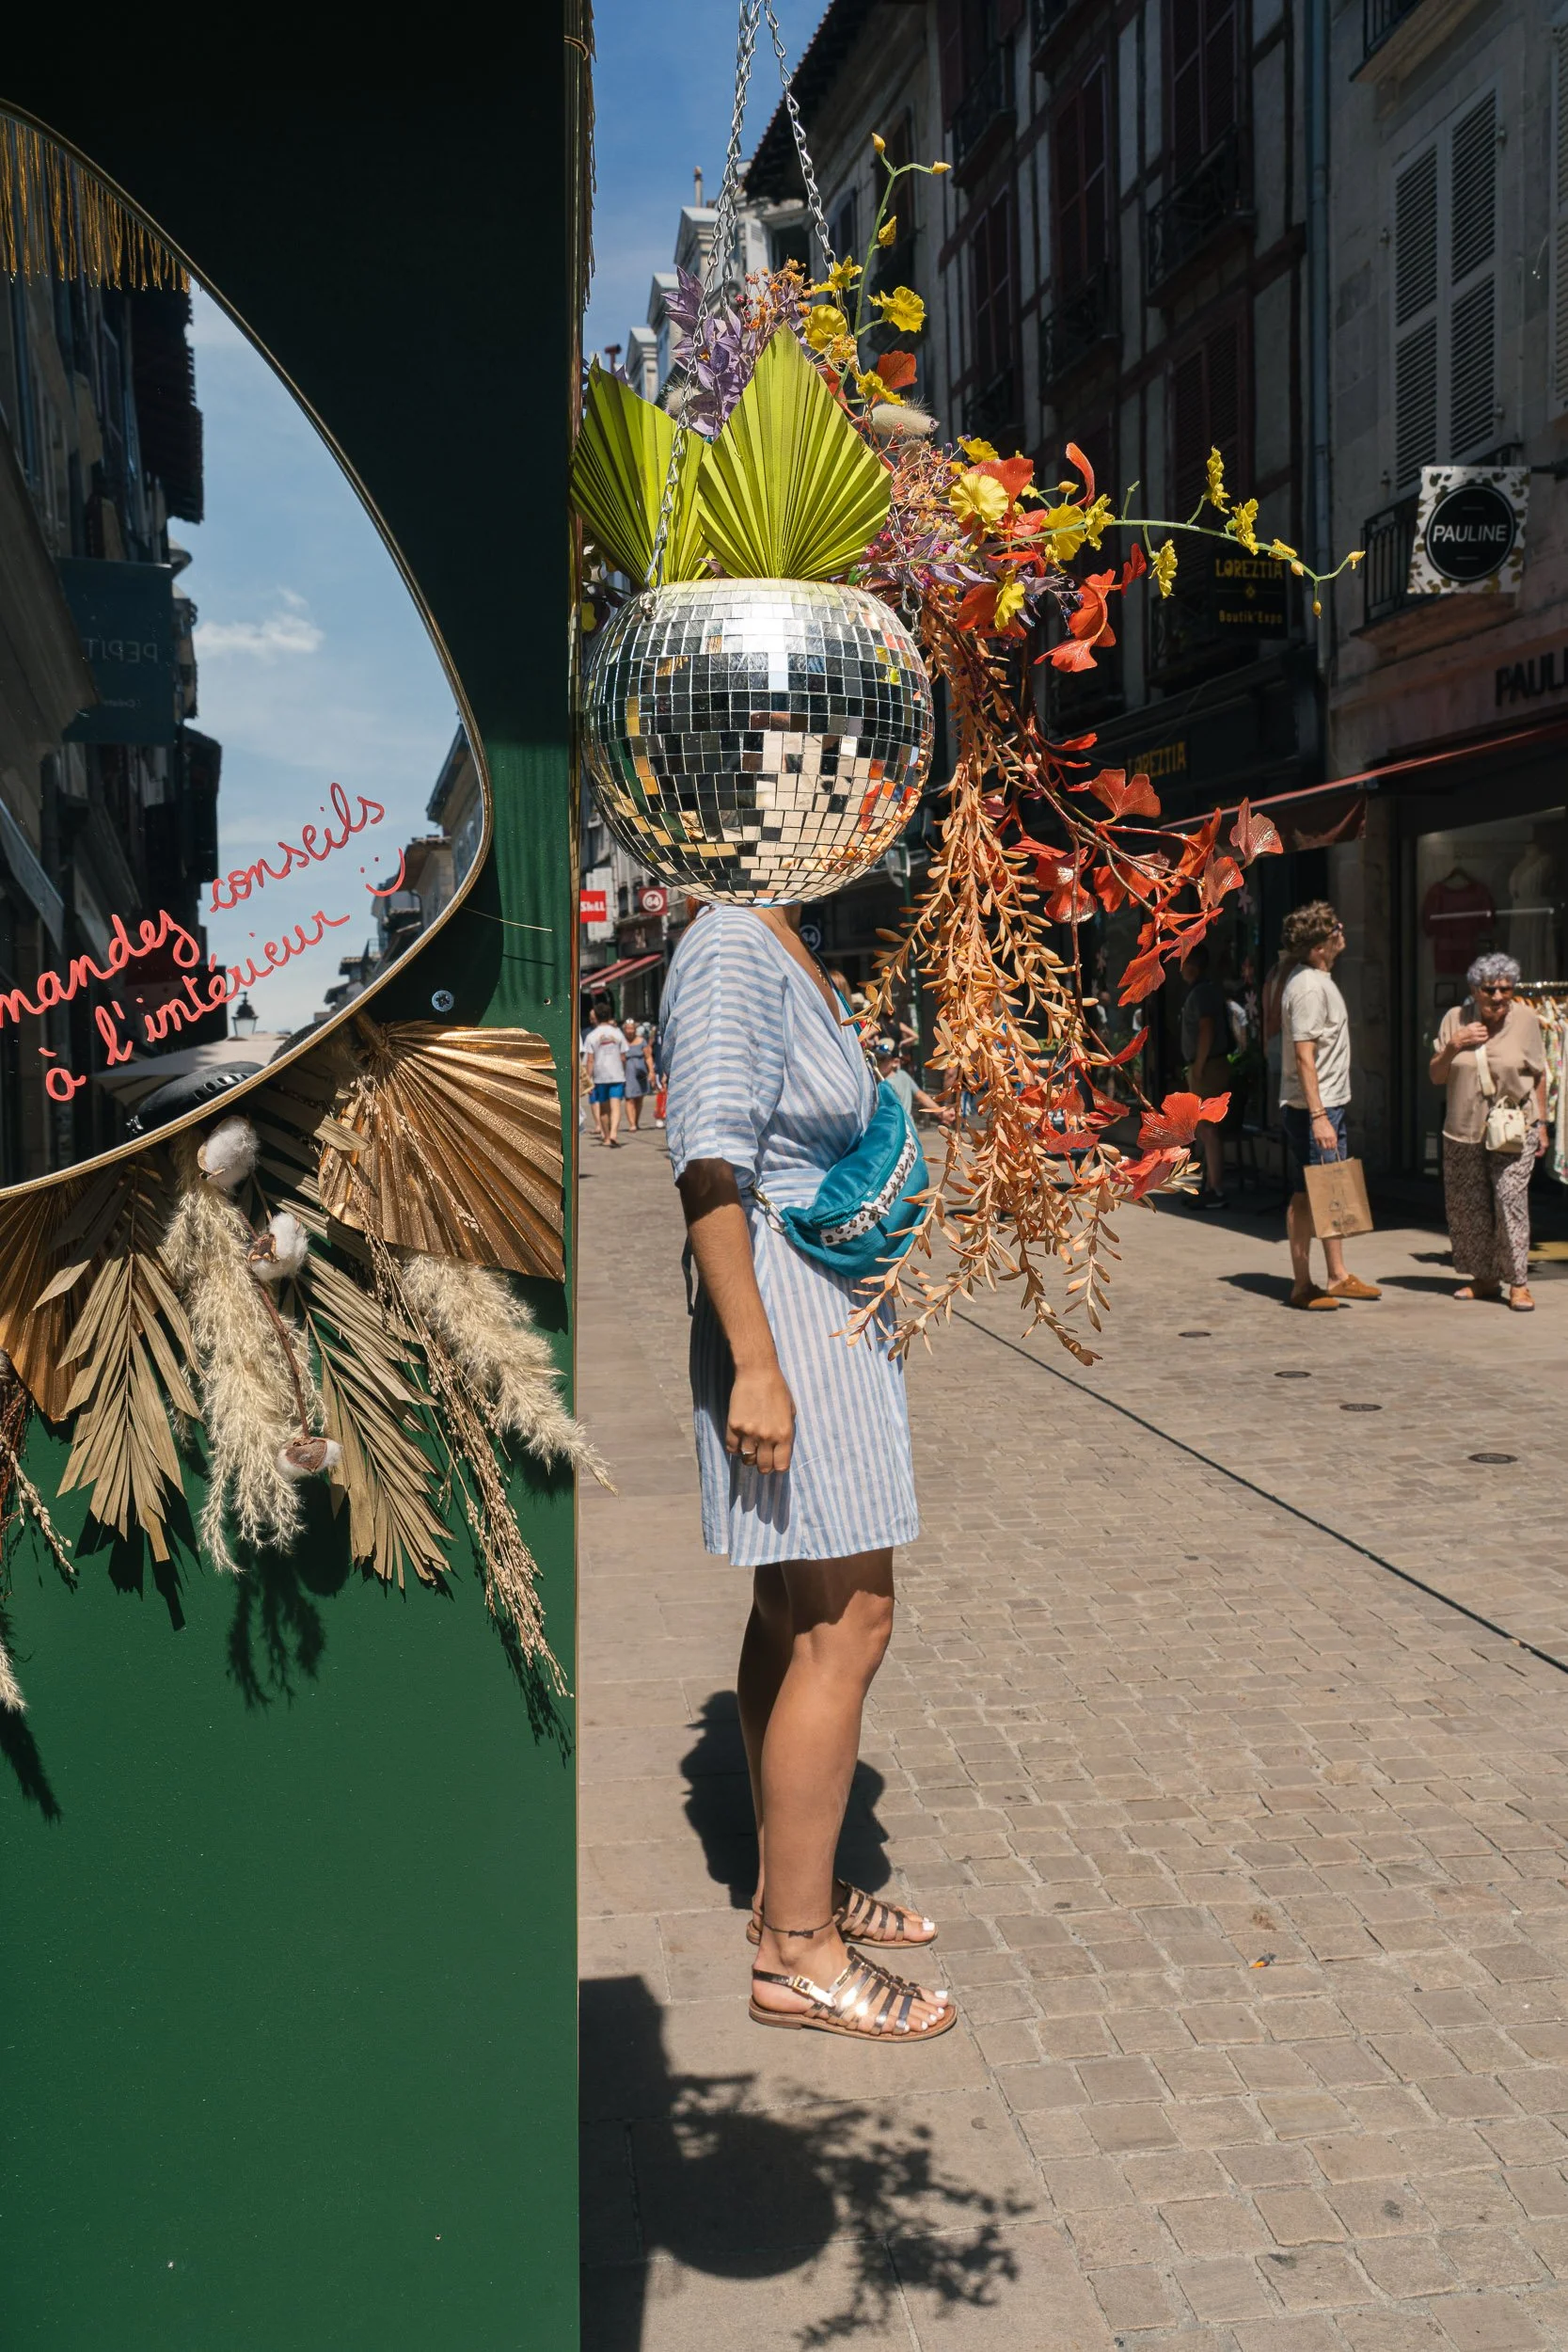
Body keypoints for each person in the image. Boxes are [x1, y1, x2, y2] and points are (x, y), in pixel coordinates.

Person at [658, 901, 954, 2043]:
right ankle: (795, 1951)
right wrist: (754, 1361)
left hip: (812, 1301)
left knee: (792, 1606)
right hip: (780, 1311)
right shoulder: (732, 936)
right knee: (849, 1621)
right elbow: (705, 1162)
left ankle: (801, 1888)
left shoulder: (774, 929)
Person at [1430, 950, 1549, 1311]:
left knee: (1509, 1200)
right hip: (1463, 1129)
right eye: (1489, 989)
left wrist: (1541, 1124)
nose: (1497, 997)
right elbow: (1436, 1075)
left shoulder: (1526, 1020)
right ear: (1474, 989)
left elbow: (1540, 1073)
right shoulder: (1455, 1019)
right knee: (1469, 1207)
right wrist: (1455, 1044)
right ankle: (1483, 1278)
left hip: (1516, 1129)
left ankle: (1518, 1283)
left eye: (1505, 989)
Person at [1277, 900, 1381, 1311]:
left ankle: (1334, 1276)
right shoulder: (1307, 988)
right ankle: (1306, 1286)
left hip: (1324, 1106)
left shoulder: (1317, 979)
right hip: (1312, 1110)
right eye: (1335, 929)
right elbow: (1305, 1055)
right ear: (1319, 946)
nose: (1342, 932)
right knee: (1312, 1194)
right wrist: (1319, 1116)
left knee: (1318, 1191)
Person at [1179, 942, 1233, 1208]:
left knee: (1207, 1128)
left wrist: (1199, 1065)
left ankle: (1216, 1188)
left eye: (1186, 963)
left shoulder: (1202, 993)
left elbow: (1206, 1028)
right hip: (1204, 1065)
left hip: (1208, 1066)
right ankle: (1209, 1182)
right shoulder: (1200, 992)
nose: (1182, 968)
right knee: (1203, 1127)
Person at [581, 998, 627, 1147]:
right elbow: (623, 1056)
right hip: (617, 1074)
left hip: (600, 1077)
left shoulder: (591, 1036)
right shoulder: (618, 1033)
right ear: (609, 1015)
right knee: (616, 1107)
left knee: (603, 1109)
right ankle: (614, 1133)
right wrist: (623, 1071)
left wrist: (588, 1079)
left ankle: (607, 1137)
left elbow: (590, 1060)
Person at [878, 1041, 950, 1125]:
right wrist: (941, 1113)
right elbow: (921, 1096)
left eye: (882, 1059)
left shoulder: (883, 1084)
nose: (878, 1063)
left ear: (895, 1062)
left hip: (894, 1131)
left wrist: (941, 1113)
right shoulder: (902, 1074)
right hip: (910, 1129)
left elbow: (921, 1096)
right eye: (876, 1058)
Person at [621, 1017, 650, 1132]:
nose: (629, 1031)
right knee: (629, 1098)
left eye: (631, 1028)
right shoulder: (621, 1041)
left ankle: (636, 1121)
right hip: (627, 1072)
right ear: (624, 1029)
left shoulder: (642, 1041)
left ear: (635, 1029)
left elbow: (648, 1057)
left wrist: (651, 1072)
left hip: (640, 1072)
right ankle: (631, 1124)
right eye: (627, 1028)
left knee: (639, 1098)